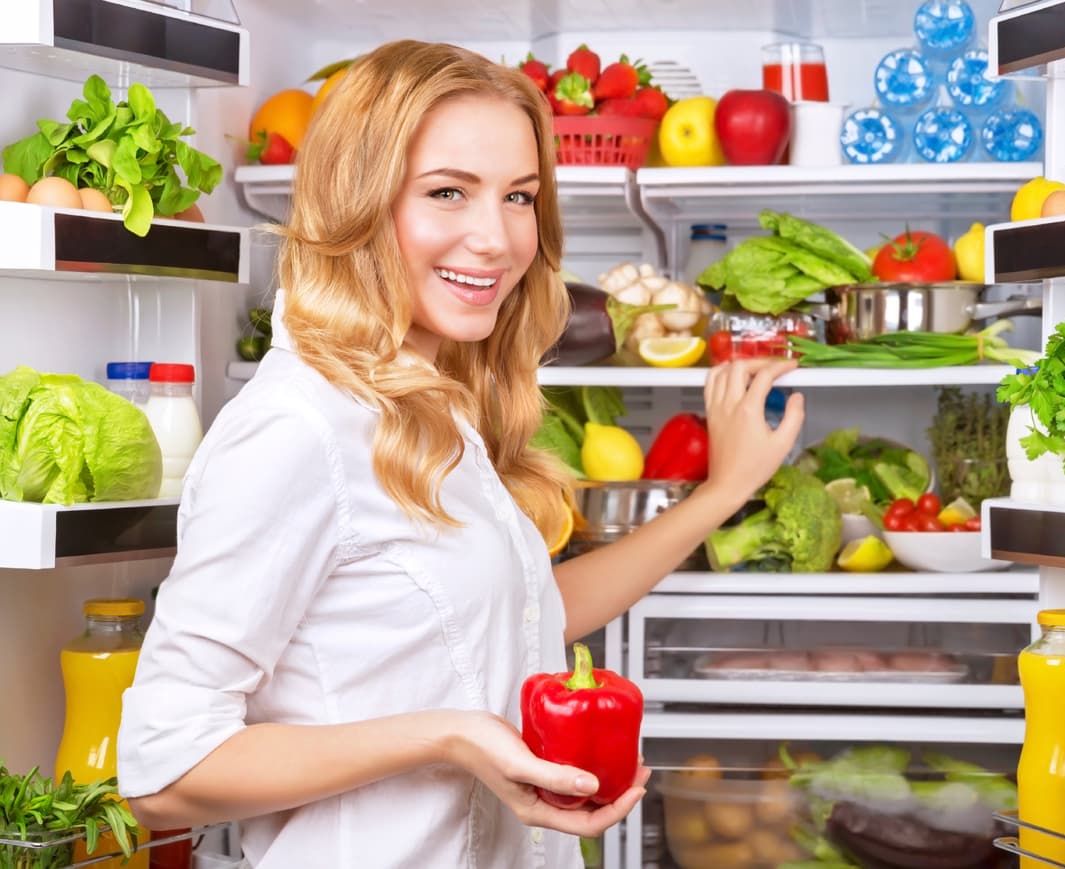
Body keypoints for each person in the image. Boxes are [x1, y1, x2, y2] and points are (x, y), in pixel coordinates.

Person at [117, 40, 804, 869]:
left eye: (519, 197)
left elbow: (520, 608)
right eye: (448, 192)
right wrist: (448, 736)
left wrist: (721, 492)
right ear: (358, 201)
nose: (496, 238)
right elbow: (163, 767)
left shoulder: (433, 398)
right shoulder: (297, 427)